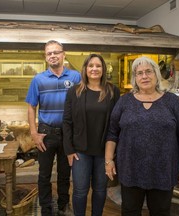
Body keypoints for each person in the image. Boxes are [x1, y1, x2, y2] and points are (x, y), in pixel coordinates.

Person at [105, 56, 179, 216]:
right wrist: (108, 161)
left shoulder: (172, 102)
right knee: (130, 211)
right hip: (130, 170)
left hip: (163, 170)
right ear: (135, 78)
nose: (144, 76)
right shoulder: (124, 102)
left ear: (156, 75)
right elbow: (112, 133)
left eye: (148, 71)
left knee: (161, 212)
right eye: (139, 73)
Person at [25, 40, 81, 216]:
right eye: (49, 53)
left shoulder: (75, 77)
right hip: (46, 133)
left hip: (68, 134)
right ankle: (46, 209)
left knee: (65, 174)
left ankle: (64, 206)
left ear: (64, 54)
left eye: (56, 52)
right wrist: (34, 133)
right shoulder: (38, 79)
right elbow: (31, 107)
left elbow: (83, 105)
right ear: (45, 57)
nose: (53, 55)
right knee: (44, 175)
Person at [63, 54, 120, 216]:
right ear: (85, 69)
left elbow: (116, 123)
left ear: (103, 69)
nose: (94, 69)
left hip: (104, 151)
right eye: (91, 66)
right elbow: (66, 122)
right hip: (80, 151)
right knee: (80, 191)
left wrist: (114, 152)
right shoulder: (75, 92)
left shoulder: (112, 91)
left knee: (100, 190)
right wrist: (69, 150)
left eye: (98, 66)